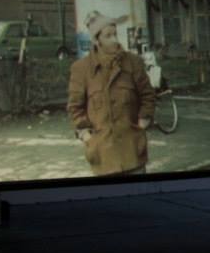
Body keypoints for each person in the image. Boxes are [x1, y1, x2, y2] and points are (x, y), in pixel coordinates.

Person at [67, 11, 156, 176]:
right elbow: (75, 108)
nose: (114, 39)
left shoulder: (133, 62)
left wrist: (142, 123)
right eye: (108, 36)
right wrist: (86, 136)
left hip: (133, 153)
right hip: (103, 157)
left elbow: (148, 95)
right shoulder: (81, 69)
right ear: (97, 40)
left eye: (115, 34)